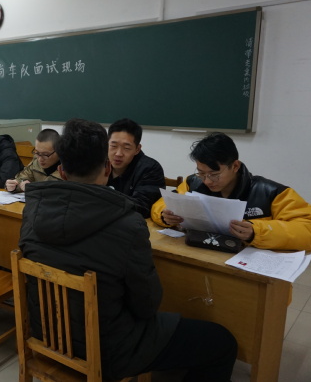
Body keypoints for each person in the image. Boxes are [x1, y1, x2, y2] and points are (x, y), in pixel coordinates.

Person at [19, 118, 237, 381]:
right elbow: (147, 306)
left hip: (47, 335)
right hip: (108, 351)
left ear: (62, 171)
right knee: (222, 342)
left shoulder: (32, 211)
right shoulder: (127, 224)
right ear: (107, 168)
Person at [152, 132, 311, 251]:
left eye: (214, 174)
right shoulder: (192, 183)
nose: (207, 181)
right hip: (201, 252)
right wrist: (165, 216)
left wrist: (256, 231)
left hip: (248, 266)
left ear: (235, 166)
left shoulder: (272, 193)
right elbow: (161, 204)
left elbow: (306, 229)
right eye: (201, 173)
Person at [107, 118, 166, 218]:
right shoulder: (97, 163)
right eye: (113, 146)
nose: (118, 154)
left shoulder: (150, 168)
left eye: (126, 148)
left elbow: (143, 207)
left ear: (137, 149)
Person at [6, 128, 61, 192]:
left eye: (45, 154)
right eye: (37, 152)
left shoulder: (67, 169)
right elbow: (23, 177)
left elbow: (56, 191)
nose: (40, 159)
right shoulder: (36, 162)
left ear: (58, 151)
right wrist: (14, 185)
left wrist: (33, 188)